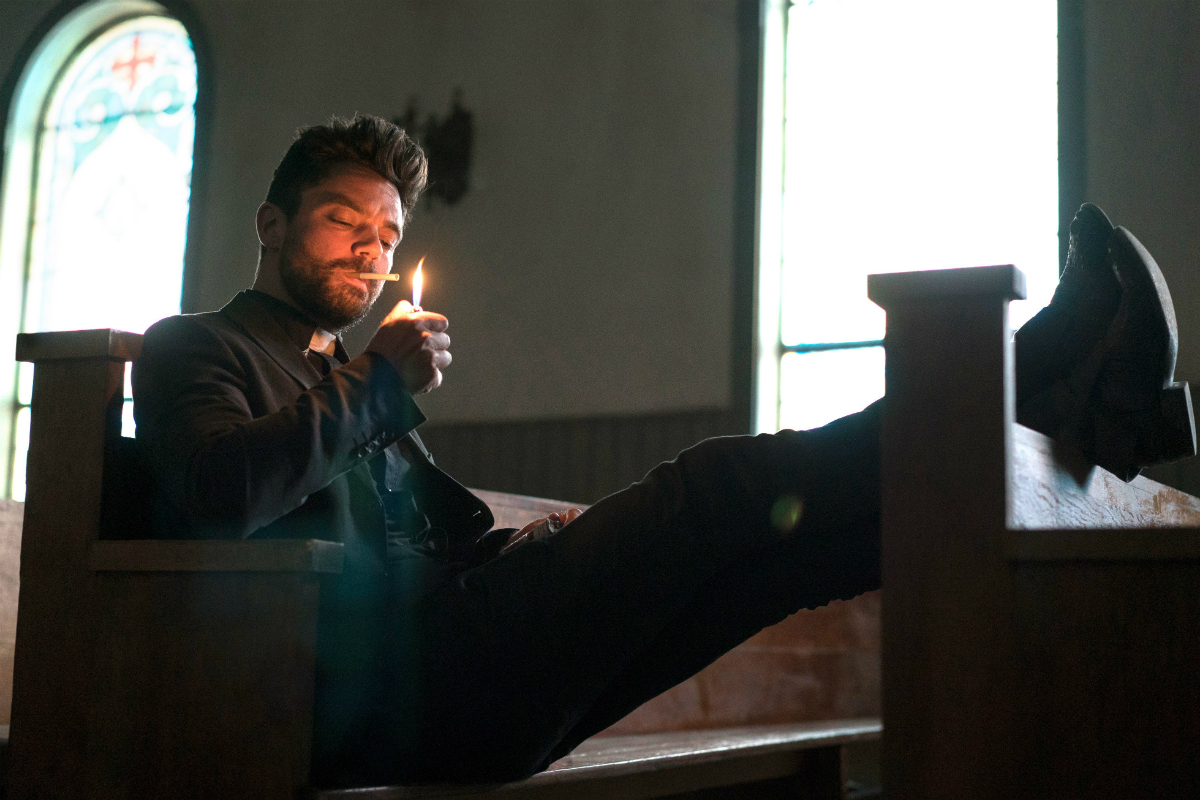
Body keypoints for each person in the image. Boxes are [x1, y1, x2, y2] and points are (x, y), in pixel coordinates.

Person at [133, 115, 1195, 788]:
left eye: (384, 236)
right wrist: (378, 389)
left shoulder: (342, 373)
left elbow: (407, 533)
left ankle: (1062, 416)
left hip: (466, 673)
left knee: (772, 568)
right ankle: (1023, 376)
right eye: (340, 221)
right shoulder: (199, 347)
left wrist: (509, 543)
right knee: (717, 488)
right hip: (399, 696)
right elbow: (217, 498)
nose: (369, 253)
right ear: (273, 222)